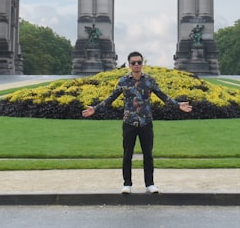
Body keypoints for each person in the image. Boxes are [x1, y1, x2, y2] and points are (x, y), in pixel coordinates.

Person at [81, 51, 192, 194]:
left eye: (139, 62)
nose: (137, 65)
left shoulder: (149, 80)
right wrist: (95, 109)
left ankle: (150, 184)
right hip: (129, 123)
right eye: (133, 63)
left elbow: (162, 96)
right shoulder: (123, 81)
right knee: (127, 155)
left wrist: (178, 105)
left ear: (142, 64)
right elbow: (111, 98)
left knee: (148, 155)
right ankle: (127, 184)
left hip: (146, 122)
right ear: (129, 65)